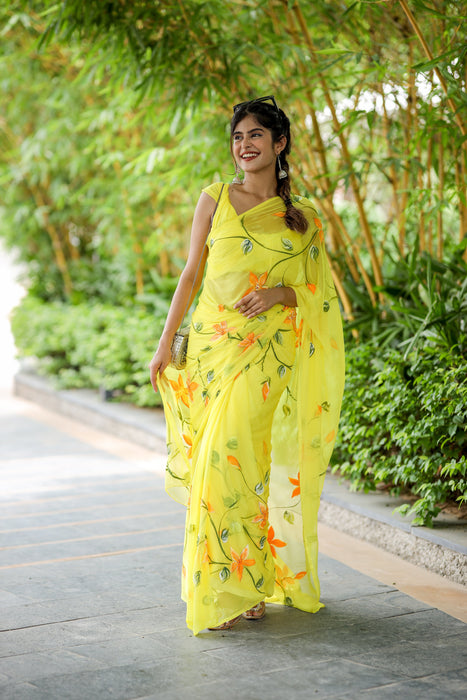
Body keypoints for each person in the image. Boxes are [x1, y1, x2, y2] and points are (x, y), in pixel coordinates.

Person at [149, 95, 345, 635]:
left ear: (279, 144)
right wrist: (165, 343)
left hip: (266, 354)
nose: (245, 145)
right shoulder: (213, 198)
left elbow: (320, 296)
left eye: (255, 135)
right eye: (238, 137)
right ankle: (240, 579)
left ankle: (234, 585)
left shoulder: (300, 220)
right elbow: (191, 275)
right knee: (229, 462)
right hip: (214, 346)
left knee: (228, 457)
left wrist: (282, 290)